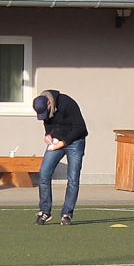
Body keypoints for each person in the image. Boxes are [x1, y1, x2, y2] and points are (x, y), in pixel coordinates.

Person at [33, 89, 88, 226]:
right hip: (56, 141)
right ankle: (45, 211)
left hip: (75, 142)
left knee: (73, 178)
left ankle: (67, 214)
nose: (45, 116)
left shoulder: (67, 104)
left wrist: (64, 142)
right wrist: (48, 135)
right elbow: (47, 123)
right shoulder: (45, 109)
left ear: (49, 104)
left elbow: (80, 127)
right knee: (44, 172)